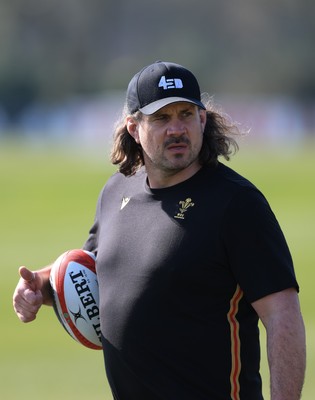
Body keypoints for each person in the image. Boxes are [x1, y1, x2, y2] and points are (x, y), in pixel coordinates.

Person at [13, 61, 306, 400]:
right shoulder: (116, 192)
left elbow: (282, 315)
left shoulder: (236, 204)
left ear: (202, 120)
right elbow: (99, 269)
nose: (177, 128)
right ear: (134, 128)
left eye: (186, 114)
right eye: (162, 118)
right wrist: (43, 285)